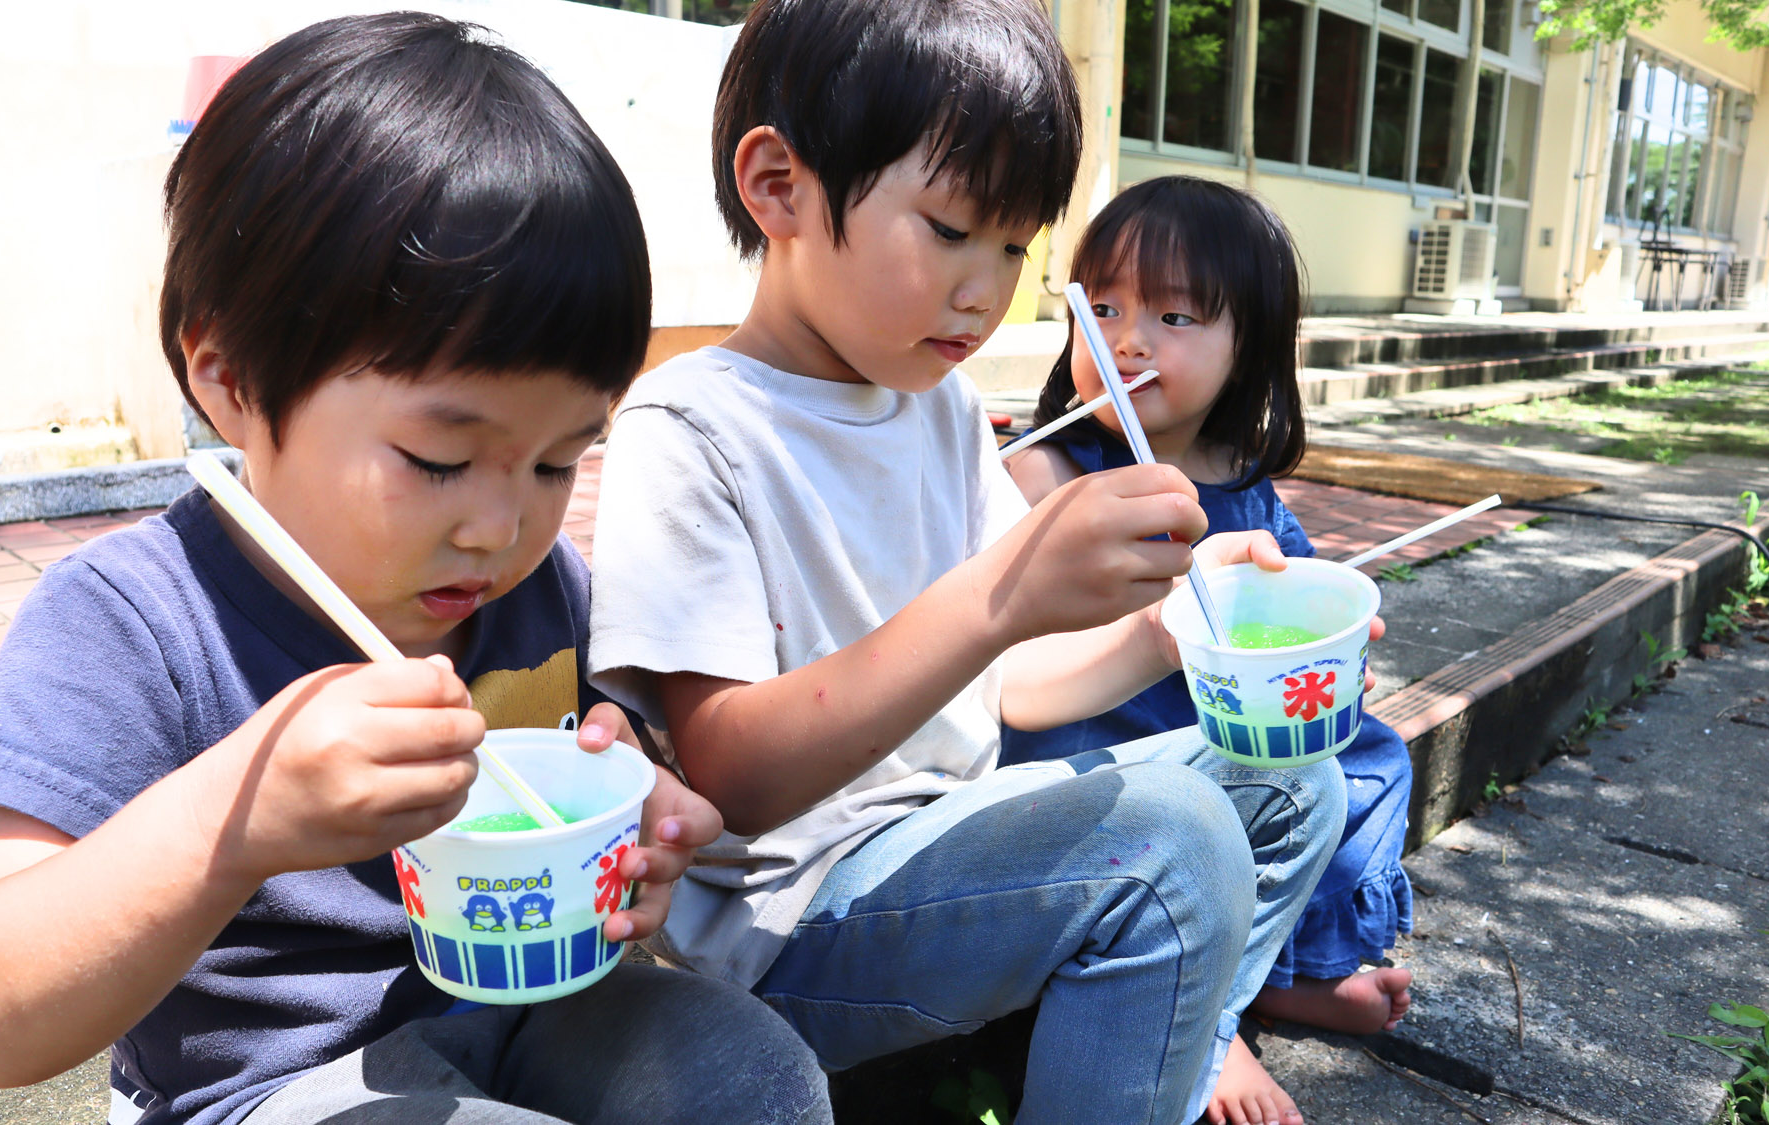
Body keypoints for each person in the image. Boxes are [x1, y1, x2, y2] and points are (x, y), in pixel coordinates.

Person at [0, 15, 830, 1125]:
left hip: (525, 1015)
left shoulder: (539, 596)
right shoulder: (135, 623)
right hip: (258, 1090)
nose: (499, 526)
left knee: (749, 1072)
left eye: (557, 460)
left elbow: (603, 762)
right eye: (439, 458)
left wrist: (645, 808)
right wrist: (243, 813)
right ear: (229, 379)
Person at [585, 3, 1346, 1122]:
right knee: (1167, 840)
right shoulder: (693, 426)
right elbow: (732, 776)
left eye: (1013, 247)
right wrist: (1001, 597)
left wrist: (1177, 620)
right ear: (777, 186)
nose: (986, 291)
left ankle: (1172, 1066)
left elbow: (1018, 683)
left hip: (942, 846)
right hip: (784, 924)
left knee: (1292, 777)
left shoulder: (933, 405)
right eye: (949, 230)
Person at [1003, 175, 1417, 1125]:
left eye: (1174, 315)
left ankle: (1281, 967)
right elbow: (1021, 649)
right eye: (1099, 307)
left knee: (1358, 756)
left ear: (1249, 352)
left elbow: (1294, 611)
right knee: (1195, 810)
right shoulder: (1050, 469)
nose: (1125, 340)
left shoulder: (1249, 492)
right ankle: (1210, 1025)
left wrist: (1330, 649)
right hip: (1087, 733)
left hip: (1223, 734)